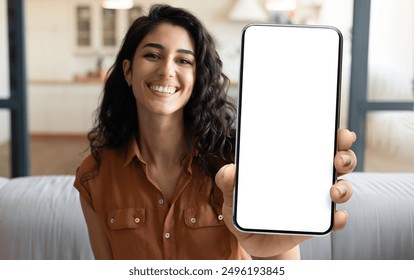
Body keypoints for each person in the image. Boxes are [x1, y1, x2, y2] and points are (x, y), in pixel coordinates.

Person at [74, 4, 357, 260]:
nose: (166, 70)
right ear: (128, 71)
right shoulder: (94, 176)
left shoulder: (236, 165)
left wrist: (272, 249)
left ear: (197, 79)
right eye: (152, 55)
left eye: (183, 60)